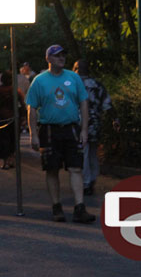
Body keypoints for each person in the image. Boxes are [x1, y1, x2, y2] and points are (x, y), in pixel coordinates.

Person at [26, 45, 95, 223]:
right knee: (51, 168)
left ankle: (80, 208)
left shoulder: (74, 78)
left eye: (63, 55)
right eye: (57, 56)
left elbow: (84, 103)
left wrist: (84, 130)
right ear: (48, 59)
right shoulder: (39, 81)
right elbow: (31, 107)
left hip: (71, 128)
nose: (61, 58)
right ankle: (56, 206)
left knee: (76, 168)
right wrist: (33, 133)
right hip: (49, 129)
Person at [73, 59, 120, 196]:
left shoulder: (74, 85)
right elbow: (107, 104)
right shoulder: (98, 85)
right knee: (93, 151)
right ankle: (93, 177)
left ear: (76, 69)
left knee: (84, 153)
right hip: (96, 123)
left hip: (80, 124)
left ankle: (86, 182)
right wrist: (115, 119)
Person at [0, 71, 26, 169]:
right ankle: (11, 159)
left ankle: (6, 161)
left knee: (3, 140)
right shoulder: (16, 90)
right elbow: (22, 105)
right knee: (14, 139)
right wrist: (23, 116)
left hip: (1, 118)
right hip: (14, 118)